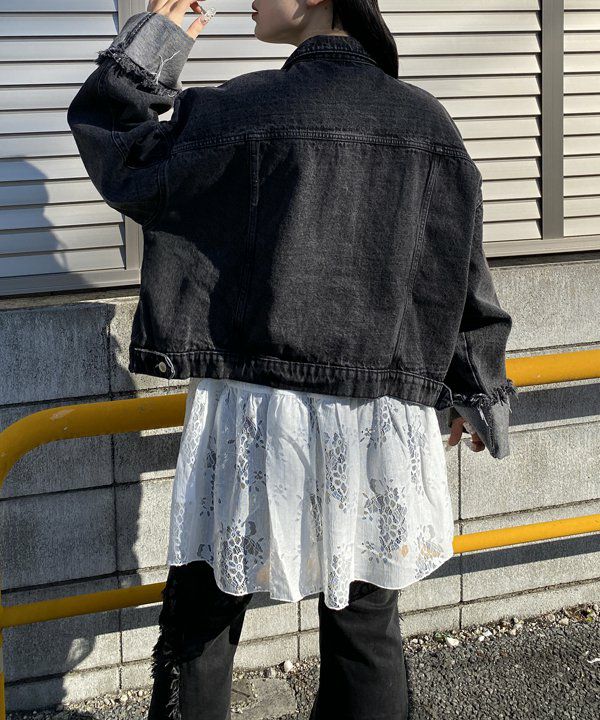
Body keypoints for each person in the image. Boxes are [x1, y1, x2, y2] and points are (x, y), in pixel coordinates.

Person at [67, 0, 518, 717]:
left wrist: (153, 45)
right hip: (380, 416)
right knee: (365, 624)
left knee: (204, 614)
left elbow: (123, 154)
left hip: (255, 406)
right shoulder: (425, 121)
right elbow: (459, 268)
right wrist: (477, 384)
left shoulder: (237, 110)